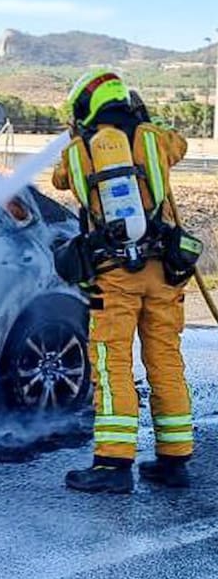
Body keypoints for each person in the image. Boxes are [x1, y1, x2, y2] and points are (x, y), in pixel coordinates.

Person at [53, 69, 195, 493]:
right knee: (165, 360)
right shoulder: (153, 138)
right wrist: (147, 121)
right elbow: (180, 145)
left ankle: (113, 465)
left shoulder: (79, 150)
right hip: (165, 272)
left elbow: (61, 179)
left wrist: (77, 136)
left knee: (112, 364)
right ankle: (174, 462)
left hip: (114, 275)